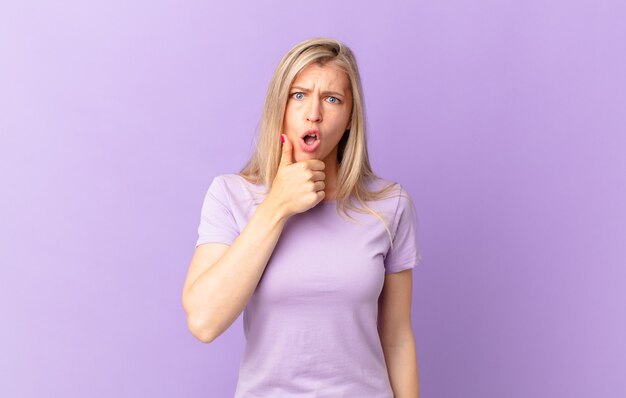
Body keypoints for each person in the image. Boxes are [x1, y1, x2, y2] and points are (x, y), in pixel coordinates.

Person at [182, 37, 422, 397]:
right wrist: (277, 204)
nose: (314, 113)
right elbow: (204, 321)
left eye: (332, 99)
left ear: (349, 121)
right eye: (299, 95)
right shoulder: (231, 195)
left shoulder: (389, 204)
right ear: (278, 108)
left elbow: (398, 338)